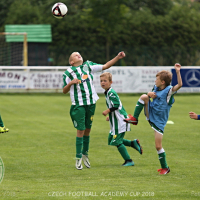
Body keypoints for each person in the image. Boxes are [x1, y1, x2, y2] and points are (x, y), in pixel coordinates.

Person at [63, 51, 126, 170]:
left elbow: (106, 66)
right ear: (72, 62)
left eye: (79, 54)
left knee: (87, 130)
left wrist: (117, 57)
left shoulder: (88, 66)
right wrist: (71, 82)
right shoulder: (68, 73)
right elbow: (64, 90)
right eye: (75, 55)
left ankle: (85, 154)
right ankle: (78, 158)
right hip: (79, 105)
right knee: (80, 130)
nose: (79, 55)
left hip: (91, 103)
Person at [124, 63, 182, 174]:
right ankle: (134, 118)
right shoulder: (156, 88)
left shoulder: (169, 91)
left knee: (158, 146)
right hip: (150, 114)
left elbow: (179, 85)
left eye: (157, 79)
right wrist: (149, 93)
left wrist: (178, 71)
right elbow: (149, 95)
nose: (155, 81)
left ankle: (165, 168)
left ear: (163, 82)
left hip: (159, 121)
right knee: (144, 96)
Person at [100, 72, 143, 167]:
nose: (103, 82)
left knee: (116, 141)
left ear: (111, 82)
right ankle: (133, 143)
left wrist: (107, 111)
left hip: (120, 121)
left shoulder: (111, 92)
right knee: (111, 139)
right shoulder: (107, 92)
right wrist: (110, 116)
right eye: (101, 81)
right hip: (115, 120)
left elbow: (117, 105)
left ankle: (129, 160)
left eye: (105, 81)